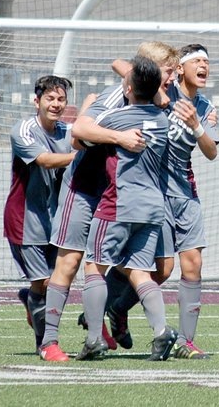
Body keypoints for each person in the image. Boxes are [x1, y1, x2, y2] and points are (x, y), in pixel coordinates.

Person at [37, 42, 177, 362]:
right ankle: (50, 341)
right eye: (169, 71)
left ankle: (99, 330)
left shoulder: (155, 100)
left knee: (133, 267)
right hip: (86, 187)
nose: (173, 76)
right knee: (71, 262)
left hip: (119, 195)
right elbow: (78, 135)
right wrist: (119, 136)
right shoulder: (118, 98)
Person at [105, 44, 219, 359]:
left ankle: (186, 342)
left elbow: (211, 152)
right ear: (179, 69)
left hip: (186, 193)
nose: (204, 66)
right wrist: (157, 93)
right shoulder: (163, 91)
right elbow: (119, 62)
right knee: (161, 269)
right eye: (196, 60)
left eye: (207, 62)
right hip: (154, 192)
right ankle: (112, 308)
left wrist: (197, 125)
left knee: (193, 265)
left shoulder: (206, 105)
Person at [72, 55, 175, 361]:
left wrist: (91, 104)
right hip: (153, 207)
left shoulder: (118, 118)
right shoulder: (162, 119)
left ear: (128, 88)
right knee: (141, 272)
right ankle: (161, 331)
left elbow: (80, 130)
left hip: (118, 204)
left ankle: (93, 339)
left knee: (94, 267)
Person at [3, 75, 76, 353]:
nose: (55, 104)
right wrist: (78, 156)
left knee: (53, 281)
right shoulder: (23, 129)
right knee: (46, 281)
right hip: (25, 219)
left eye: (61, 99)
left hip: (56, 219)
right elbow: (44, 161)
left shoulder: (67, 132)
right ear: (37, 101)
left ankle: (30, 300)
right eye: (50, 98)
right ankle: (45, 345)